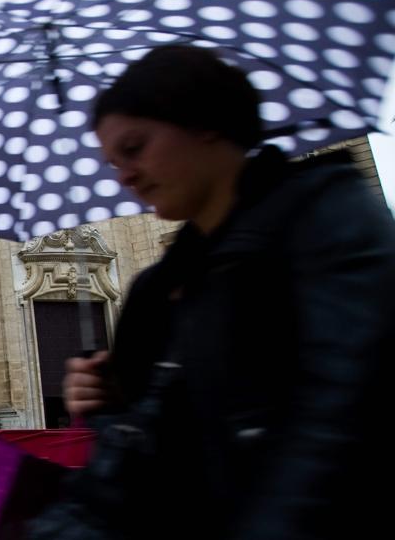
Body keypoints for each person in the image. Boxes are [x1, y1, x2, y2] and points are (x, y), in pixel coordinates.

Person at [28, 45, 395, 540]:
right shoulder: (157, 287)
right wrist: (107, 407)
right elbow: (149, 462)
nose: (124, 176)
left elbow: (337, 433)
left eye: (134, 148)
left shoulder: (331, 222)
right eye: (113, 161)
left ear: (202, 121)